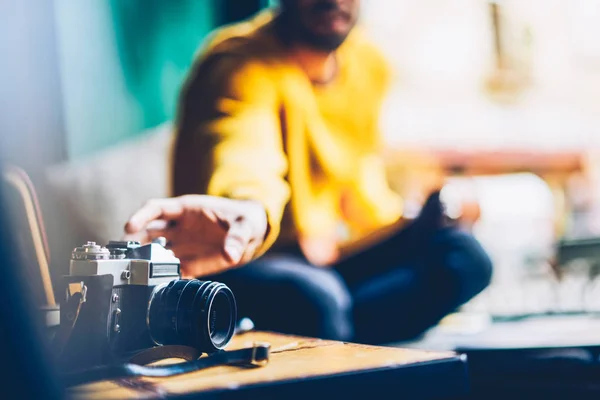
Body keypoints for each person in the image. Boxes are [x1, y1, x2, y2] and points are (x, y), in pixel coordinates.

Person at [124, 0, 493, 344]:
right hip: (241, 256)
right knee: (317, 297)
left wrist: (415, 222)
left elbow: (360, 186)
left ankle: (340, 340)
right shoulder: (237, 63)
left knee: (464, 257)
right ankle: (343, 339)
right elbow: (245, 154)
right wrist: (251, 212)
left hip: (325, 258)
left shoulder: (367, 63)